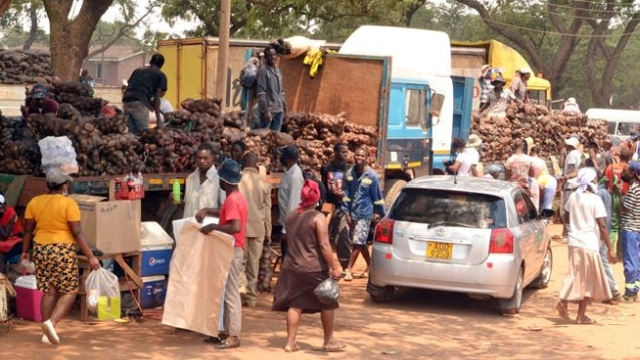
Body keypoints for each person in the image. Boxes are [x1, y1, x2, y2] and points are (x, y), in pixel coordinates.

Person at [20, 169, 100, 345]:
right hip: (62, 250)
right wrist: (91, 256)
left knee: (49, 291)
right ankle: (51, 323)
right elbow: (77, 232)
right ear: (64, 185)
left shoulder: (35, 202)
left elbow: (28, 230)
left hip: (40, 249)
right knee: (70, 291)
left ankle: (46, 331)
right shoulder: (68, 204)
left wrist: (25, 251)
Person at [272, 179, 344, 353]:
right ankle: (328, 341)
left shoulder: (291, 216)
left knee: (295, 303)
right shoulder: (318, 217)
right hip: (313, 268)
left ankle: (290, 342)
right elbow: (325, 246)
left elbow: (289, 240)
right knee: (327, 303)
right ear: (317, 197)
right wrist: (335, 266)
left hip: (291, 267)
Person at [196, 159, 248, 349]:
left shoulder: (232, 199)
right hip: (232, 248)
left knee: (231, 292)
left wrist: (213, 226)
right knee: (225, 290)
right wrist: (209, 210)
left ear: (225, 181)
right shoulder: (236, 197)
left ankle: (233, 334)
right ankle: (225, 331)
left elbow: (235, 226)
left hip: (233, 249)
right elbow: (228, 214)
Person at [556, 168, 617, 324]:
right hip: (589, 244)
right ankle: (569, 305)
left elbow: (566, 217)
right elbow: (602, 226)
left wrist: (575, 227)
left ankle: (578, 312)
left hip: (574, 242)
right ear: (592, 181)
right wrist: (611, 249)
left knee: (576, 274)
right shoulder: (595, 200)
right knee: (588, 279)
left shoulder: (573, 198)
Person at [342, 147, 386, 281]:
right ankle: (371, 265)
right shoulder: (349, 174)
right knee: (360, 241)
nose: (359, 158)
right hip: (353, 213)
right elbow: (347, 196)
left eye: (362, 156)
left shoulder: (371, 175)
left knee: (357, 241)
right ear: (354, 156)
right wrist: (347, 213)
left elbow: (377, 197)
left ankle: (348, 270)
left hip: (366, 213)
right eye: (357, 155)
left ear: (366, 158)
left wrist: (380, 214)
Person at [238, 153, 272, 307]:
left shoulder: (237, 180)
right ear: (256, 164)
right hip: (258, 228)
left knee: (240, 262)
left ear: (243, 163)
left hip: (240, 227)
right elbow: (267, 210)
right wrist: (268, 232)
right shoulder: (263, 183)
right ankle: (251, 298)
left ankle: (240, 291)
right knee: (254, 264)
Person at [321, 143, 351, 268]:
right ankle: (322, 263)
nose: (345, 154)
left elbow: (352, 188)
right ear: (336, 152)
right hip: (328, 204)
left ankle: (344, 264)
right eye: (342, 152)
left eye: (346, 152)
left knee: (342, 235)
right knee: (323, 233)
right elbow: (323, 185)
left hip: (342, 205)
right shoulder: (327, 167)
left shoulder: (349, 169)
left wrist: (344, 194)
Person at [122, 53, 168, 134]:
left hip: (126, 101)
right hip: (139, 103)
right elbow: (157, 97)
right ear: (161, 65)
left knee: (132, 133)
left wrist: (148, 104)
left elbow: (133, 88)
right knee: (144, 133)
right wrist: (158, 119)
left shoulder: (138, 70)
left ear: (150, 61)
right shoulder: (161, 75)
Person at [183, 142, 224, 218]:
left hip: (209, 228)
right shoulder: (190, 179)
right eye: (199, 158)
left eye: (205, 158)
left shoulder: (219, 180)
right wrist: (176, 202)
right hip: (189, 227)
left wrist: (207, 211)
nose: (202, 161)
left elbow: (225, 210)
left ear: (213, 157)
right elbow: (187, 205)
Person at [278, 146, 304, 256]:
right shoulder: (288, 173)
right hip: (287, 224)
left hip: (291, 227)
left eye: (282, 156)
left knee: (289, 258)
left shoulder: (295, 177)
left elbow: (294, 204)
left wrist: (285, 229)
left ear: (287, 158)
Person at [605, 147, 632, 251]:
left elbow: (607, 182)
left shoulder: (611, 167)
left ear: (619, 156)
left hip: (613, 197)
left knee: (614, 225)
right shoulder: (630, 169)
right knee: (624, 225)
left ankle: (609, 250)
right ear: (629, 158)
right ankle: (621, 252)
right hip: (626, 197)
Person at [620, 161, 640, 302]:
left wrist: (618, 195)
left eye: (626, 170)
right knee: (636, 260)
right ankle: (635, 290)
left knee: (630, 260)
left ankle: (629, 292)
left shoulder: (633, 189)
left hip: (630, 228)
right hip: (637, 229)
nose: (623, 172)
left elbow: (625, 208)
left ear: (633, 173)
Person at [256, 46, 286, 131]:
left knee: (276, 138)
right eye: (270, 55)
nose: (272, 57)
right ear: (265, 57)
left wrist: (284, 108)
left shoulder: (278, 71)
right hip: (269, 111)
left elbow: (281, 91)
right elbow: (261, 93)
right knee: (265, 138)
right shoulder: (263, 71)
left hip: (279, 110)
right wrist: (266, 111)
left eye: (274, 55)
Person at [560, 137, 583, 240]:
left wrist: (565, 179)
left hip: (570, 185)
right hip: (576, 185)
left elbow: (571, 171)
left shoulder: (572, 155)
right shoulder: (577, 154)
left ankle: (568, 233)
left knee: (566, 210)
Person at [0, 193, 23, 274]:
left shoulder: (10, 212)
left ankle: (1, 279)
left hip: (15, 239)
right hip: (3, 241)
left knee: (1, 253)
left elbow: (5, 235)